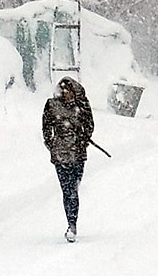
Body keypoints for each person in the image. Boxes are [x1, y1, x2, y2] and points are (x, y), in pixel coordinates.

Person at [42, 76, 94, 242]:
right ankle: (71, 223)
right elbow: (46, 128)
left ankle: (72, 222)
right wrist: (53, 145)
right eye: (63, 90)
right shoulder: (52, 105)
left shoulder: (82, 105)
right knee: (68, 191)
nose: (66, 94)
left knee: (73, 189)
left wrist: (82, 140)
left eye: (69, 91)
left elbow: (90, 125)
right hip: (60, 156)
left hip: (78, 155)